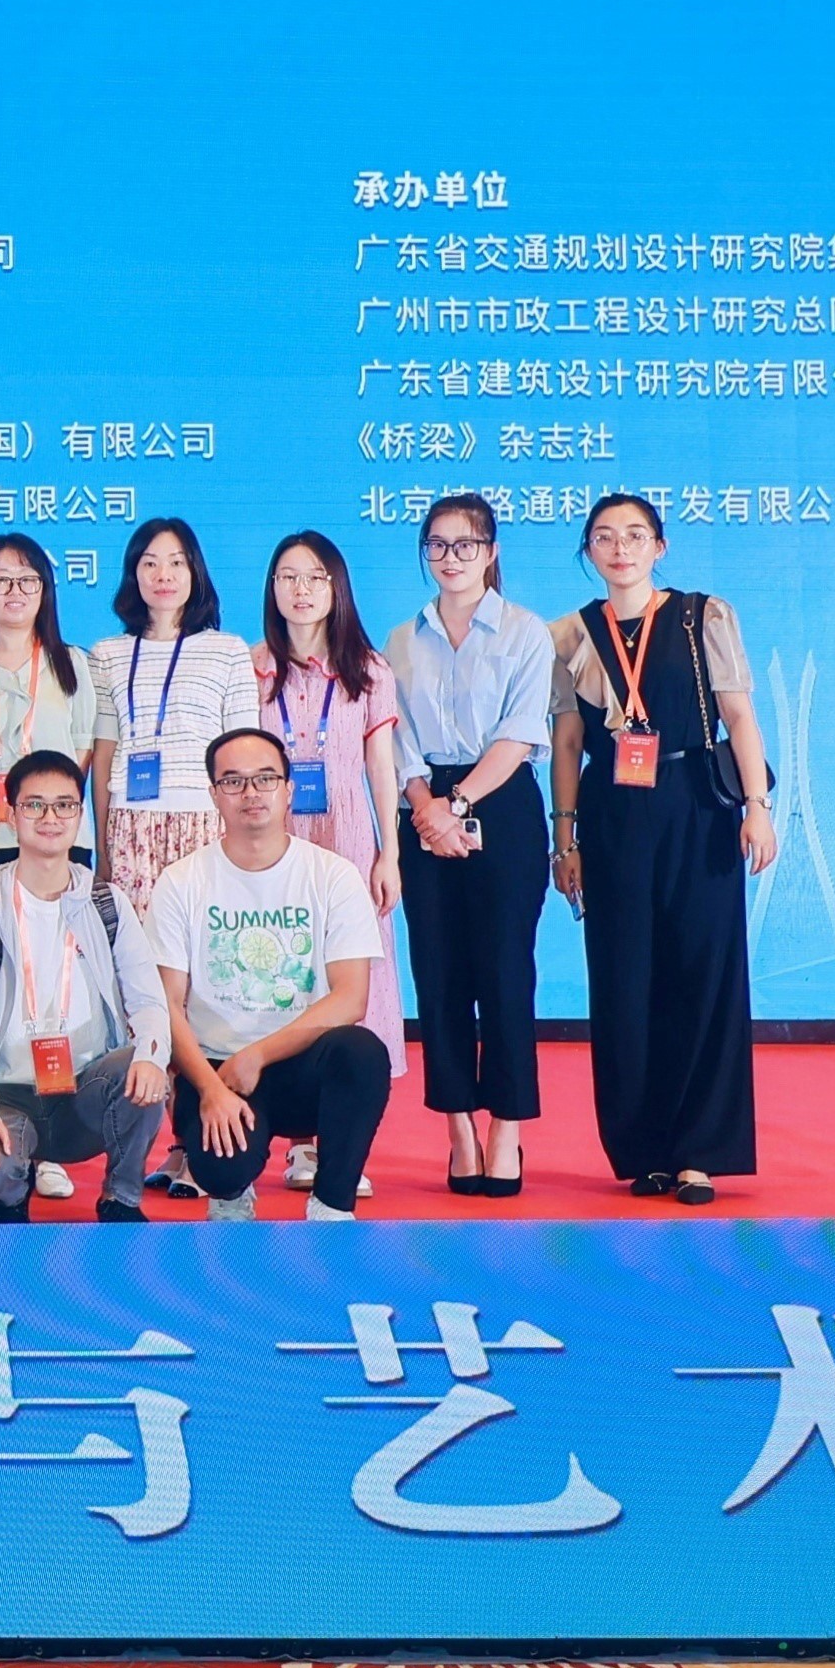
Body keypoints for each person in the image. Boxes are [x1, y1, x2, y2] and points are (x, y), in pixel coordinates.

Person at [549, 492, 775, 1206]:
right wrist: (564, 837)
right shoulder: (571, 634)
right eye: (604, 537)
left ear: (660, 546)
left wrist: (758, 807)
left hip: (696, 807)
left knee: (702, 975)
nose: (620, 549)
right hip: (612, 814)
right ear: (588, 550)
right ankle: (643, 1150)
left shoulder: (702, 616)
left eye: (635, 535)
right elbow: (567, 742)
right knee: (624, 982)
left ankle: (699, 1153)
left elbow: (738, 715)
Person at [383, 492, 557, 1200]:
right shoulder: (402, 640)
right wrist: (427, 807)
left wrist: (455, 806)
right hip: (423, 806)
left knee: (506, 973)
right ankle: (458, 1128)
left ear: (491, 552)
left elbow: (519, 735)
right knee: (439, 974)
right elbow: (394, 738)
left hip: (501, 805)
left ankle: (506, 1129)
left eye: (466, 545)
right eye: (438, 545)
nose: (450, 558)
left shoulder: (525, 632)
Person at [151, 726, 390, 1221]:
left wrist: (257, 1054)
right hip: (218, 1069)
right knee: (221, 1172)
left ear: (288, 789)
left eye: (265, 778)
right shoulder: (181, 881)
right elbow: (166, 1003)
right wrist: (210, 1089)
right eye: (233, 781)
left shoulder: (333, 876)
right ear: (214, 795)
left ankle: (331, 1206)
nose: (251, 792)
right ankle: (233, 1192)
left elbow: (351, 998)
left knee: (362, 1052)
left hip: (300, 1064)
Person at [0, 752, 169, 1223]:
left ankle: (121, 1197)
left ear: (79, 815)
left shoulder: (107, 903)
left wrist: (152, 1054)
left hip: (84, 1089)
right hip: (6, 1092)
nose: (50, 818)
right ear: (11, 816)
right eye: (34, 805)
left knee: (144, 1067)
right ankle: (12, 1194)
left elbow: (148, 1000)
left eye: (64, 805)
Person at [255, 528, 405, 1198]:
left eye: (316, 576)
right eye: (288, 576)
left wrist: (388, 852)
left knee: (347, 976)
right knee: (281, 972)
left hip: (346, 839)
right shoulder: (252, 669)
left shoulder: (369, 671)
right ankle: (287, 1138)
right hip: (273, 843)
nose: (302, 589)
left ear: (336, 587)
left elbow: (381, 766)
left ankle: (334, 1143)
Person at [89, 517, 258, 912]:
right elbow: (103, 755)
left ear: (194, 571)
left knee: (208, 940)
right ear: (133, 573)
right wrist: (102, 844)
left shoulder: (228, 651)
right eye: (150, 563)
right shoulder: (106, 654)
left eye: (176, 562)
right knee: (137, 945)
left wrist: (246, 835)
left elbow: (245, 755)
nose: (163, 575)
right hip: (130, 823)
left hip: (207, 820)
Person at [0, 531, 108, 894]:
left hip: (57, 836)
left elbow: (81, 754)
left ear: (44, 590)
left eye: (28, 580)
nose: (14, 591)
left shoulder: (74, 664)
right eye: (1, 580)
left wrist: (48, 807)